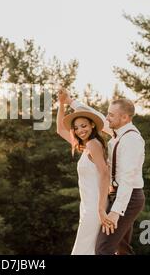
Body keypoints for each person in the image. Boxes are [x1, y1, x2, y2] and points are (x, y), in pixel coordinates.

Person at [57, 89, 146, 255]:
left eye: (111, 115)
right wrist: (70, 102)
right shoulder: (117, 132)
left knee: (103, 248)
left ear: (125, 117)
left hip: (129, 198)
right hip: (116, 196)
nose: (107, 118)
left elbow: (127, 180)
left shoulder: (131, 140)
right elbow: (94, 115)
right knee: (122, 248)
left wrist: (114, 212)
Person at [57, 89, 111, 255]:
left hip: (95, 206)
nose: (80, 130)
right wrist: (61, 104)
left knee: (82, 251)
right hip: (87, 205)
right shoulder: (87, 146)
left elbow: (105, 174)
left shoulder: (94, 144)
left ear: (92, 125)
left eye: (84, 126)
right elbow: (60, 130)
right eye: (77, 128)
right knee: (89, 250)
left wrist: (101, 208)